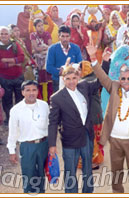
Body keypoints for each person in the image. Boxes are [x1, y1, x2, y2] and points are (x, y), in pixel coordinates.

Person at [86, 43, 129, 193]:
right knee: (116, 174)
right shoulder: (113, 87)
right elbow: (102, 76)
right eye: (123, 79)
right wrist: (93, 58)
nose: (126, 81)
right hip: (114, 141)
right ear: (119, 79)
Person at [48, 64, 101, 193]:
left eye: (74, 78)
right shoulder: (56, 98)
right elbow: (53, 123)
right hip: (70, 140)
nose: (71, 81)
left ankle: (88, 192)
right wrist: (52, 145)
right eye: (68, 79)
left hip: (87, 136)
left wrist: (101, 62)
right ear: (63, 79)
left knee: (88, 168)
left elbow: (100, 81)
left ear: (78, 77)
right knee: (70, 170)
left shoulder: (85, 86)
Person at [7, 80, 49, 193]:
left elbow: (50, 125)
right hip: (27, 146)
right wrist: (12, 150)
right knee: (28, 174)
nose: (31, 93)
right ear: (22, 92)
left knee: (41, 174)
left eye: (34, 90)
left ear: (37, 91)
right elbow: (13, 131)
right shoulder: (16, 110)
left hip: (43, 144)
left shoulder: (44, 106)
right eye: (28, 90)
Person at [0, 26, 25, 124]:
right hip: (5, 79)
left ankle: (20, 118)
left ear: (9, 35)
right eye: (2, 34)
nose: (4, 36)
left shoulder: (15, 44)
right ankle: (10, 119)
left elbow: (22, 58)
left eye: (6, 33)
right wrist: (15, 62)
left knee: (20, 98)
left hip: (18, 77)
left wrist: (7, 60)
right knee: (7, 100)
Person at [46, 25, 82, 93]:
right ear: (59, 37)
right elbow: (49, 67)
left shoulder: (76, 48)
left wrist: (73, 67)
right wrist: (61, 72)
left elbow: (80, 64)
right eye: (62, 36)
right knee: (60, 102)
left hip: (73, 81)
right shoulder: (52, 49)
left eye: (67, 36)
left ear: (70, 36)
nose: (65, 39)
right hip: (58, 81)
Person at [30, 18, 52, 102]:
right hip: (38, 62)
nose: (41, 27)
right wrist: (43, 48)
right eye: (39, 26)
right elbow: (35, 48)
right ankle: (41, 101)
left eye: (42, 25)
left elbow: (50, 47)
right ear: (35, 27)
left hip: (48, 60)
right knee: (40, 83)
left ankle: (50, 101)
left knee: (50, 82)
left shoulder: (47, 34)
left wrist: (42, 49)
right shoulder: (33, 35)